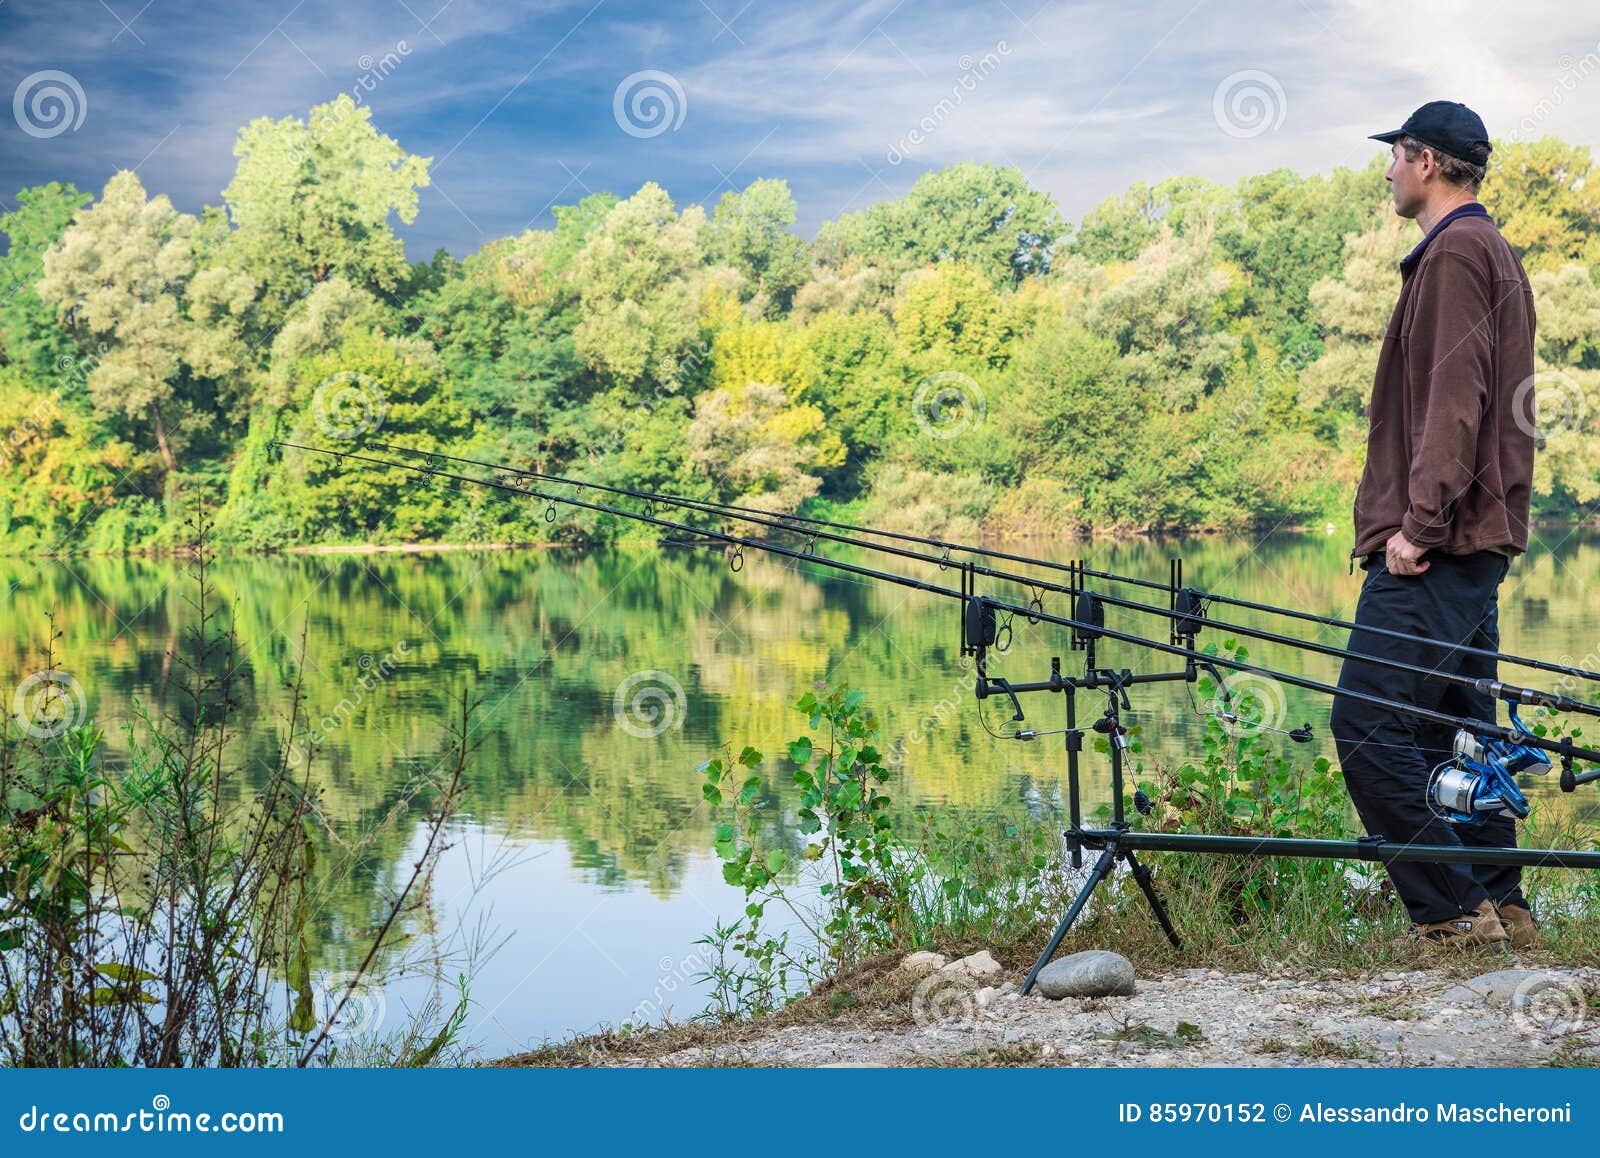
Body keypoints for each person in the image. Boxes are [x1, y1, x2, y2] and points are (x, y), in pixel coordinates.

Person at [1329, 100, 1539, 950]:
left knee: (1367, 721)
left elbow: (1457, 406)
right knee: (1454, 729)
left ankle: (1454, 913)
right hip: (1474, 540)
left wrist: (1416, 525)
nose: (1386, 171)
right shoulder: (1486, 252)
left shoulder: (1455, 255)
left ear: (1426, 162)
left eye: (1395, 156)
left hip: (1441, 543)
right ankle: (1505, 904)